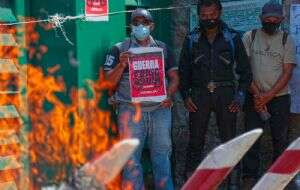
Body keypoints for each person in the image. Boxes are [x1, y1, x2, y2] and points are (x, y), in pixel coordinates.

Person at [178, 0, 252, 188]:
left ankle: (231, 183)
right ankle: (192, 182)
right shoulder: (191, 39)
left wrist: (241, 95)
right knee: (195, 141)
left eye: (212, 15)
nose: (208, 19)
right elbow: (183, 71)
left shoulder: (232, 37)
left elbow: (246, 72)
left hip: (226, 94)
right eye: (204, 16)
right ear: (199, 15)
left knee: (229, 141)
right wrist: (185, 97)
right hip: (199, 95)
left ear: (219, 13)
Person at [104, 8, 178, 190]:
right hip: (130, 111)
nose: (140, 26)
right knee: (130, 159)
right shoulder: (118, 49)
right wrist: (121, 65)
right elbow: (107, 83)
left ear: (152, 25)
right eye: (136, 22)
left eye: (144, 22)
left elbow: (175, 77)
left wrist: (169, 95)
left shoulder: (162, 48)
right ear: (130, 26)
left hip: (159, 110)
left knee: (162, 156)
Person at [242, 1, 296, 188]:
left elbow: (287, 72)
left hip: (279, 98)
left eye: (275, 18)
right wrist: (258, 95)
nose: (271, 21)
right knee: (251, 138)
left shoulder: (286, 39)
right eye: (268, 18)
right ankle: (249, 178)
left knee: (280, 140)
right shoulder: (250, 36)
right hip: (254, 96)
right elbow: (244, 70)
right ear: (261, 18)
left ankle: (279, 179)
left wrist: (268, 96)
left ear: (281, 19)